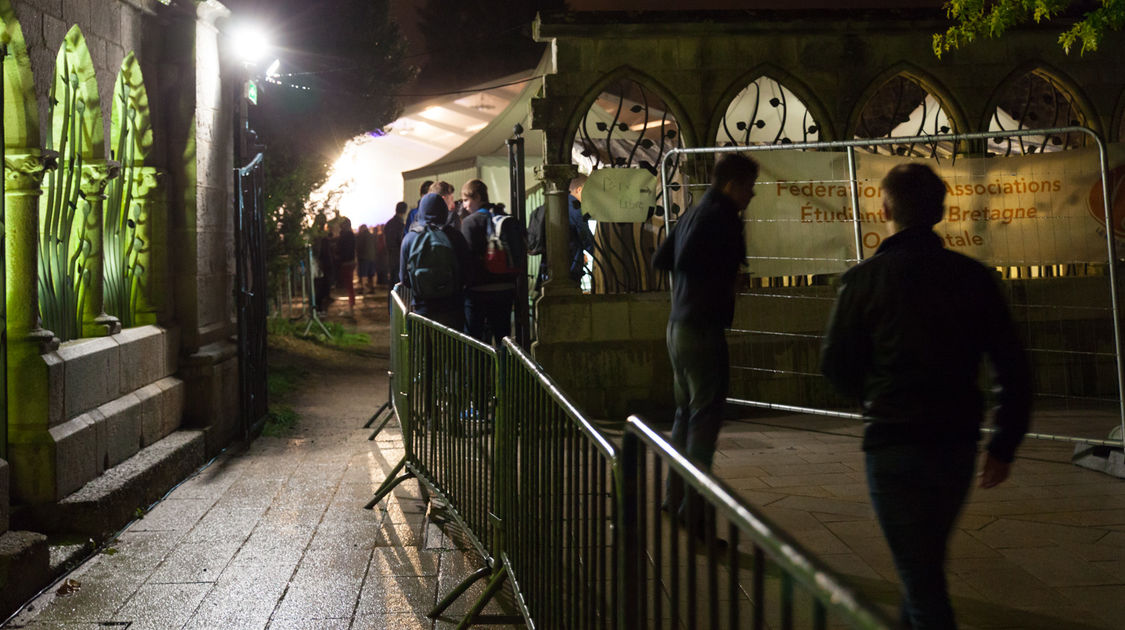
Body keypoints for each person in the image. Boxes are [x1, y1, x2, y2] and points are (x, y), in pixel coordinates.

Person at [820, 163, 1032, 630]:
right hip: (954, 442)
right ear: (940, 210)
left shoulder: (862, 281)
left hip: (893, 442)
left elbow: (836, 366)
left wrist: (875, 395)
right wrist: (1003, 444)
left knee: (921, 580)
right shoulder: (974, 278)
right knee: (922, 563)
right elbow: (1013, 368)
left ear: (885, 208)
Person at [651, 153, 757, 519]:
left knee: (686, 414)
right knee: (705, 417)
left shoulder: (693, 211)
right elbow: (690, 260)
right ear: (733, 184)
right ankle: (693, 509)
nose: (751, 196)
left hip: (677, 326)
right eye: (749, 188)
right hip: (701, 327)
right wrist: (724, 279)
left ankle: (674, 494)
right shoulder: (722, 215)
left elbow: (663, 259)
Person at [459, 179, 525, 345]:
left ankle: (479, 371)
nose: (465, 206)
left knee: (475, 343)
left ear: (478, 197)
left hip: (477, 292)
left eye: (467, 200)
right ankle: (505, 370)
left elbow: (466, 259)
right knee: (504, 338)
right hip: (505, 289)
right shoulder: (505, 218)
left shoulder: (469, 222)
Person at [399, 192, 474, 330]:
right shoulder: (455, 236)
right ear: (443, 210)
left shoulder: (410, 239)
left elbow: (404, 279)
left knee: (424, 350)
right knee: (451, 350)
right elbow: (467, 271)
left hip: (422, 310)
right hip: (452, 308)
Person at [531, 174, 596, 290]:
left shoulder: (552, 205)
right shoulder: (575, 208)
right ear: (579, 190)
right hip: (569, 270)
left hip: (548, 268)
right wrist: (601, 257)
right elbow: (586, 238)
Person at [335, 216, 357, 310]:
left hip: (346, 262)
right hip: (349, 261)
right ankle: (351, 303)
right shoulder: (350, 235)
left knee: (349, 284)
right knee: (349, 284)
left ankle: (351, 304)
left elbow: (344, 249)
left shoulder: (346, 235)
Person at [385, 201, 408, 288]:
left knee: (392, 283)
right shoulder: (401, 225)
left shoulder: (389, 223)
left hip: (391, 257)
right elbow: (401, 241)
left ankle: (390, 301)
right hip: (399, 257)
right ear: (405, 211)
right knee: (397, 284)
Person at [355, 223, 377, 295]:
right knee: (372, 273)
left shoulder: (361, 236)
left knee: (363, 274)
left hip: (364, 257)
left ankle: (364, 289)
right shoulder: (372, 236)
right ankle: (373, 287)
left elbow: (359, 247)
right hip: (372, 257)